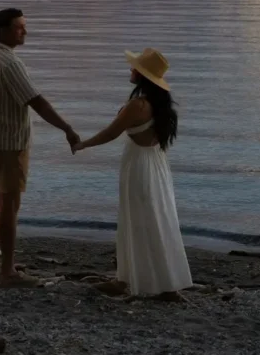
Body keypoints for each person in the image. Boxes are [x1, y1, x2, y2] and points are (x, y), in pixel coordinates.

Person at [72, 48, 192, 297]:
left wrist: (83, 144)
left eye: (135, 67)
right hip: (156, 165)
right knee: (157, 218)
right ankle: (156, 279)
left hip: (138, 166)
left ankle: (130, 280)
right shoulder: (161, 106)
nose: (131, 69)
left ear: (143, 75)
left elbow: (110, 133)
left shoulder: (138, 105)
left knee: (135, 219)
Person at [0, 8, 79, 286]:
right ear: (4, 30)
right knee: (10, 205)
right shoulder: (10, 64)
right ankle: (7, 270)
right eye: (20, 27)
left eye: (24, 26)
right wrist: (67, 128)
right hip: (9, 143)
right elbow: (38, 102)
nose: (25, 31)